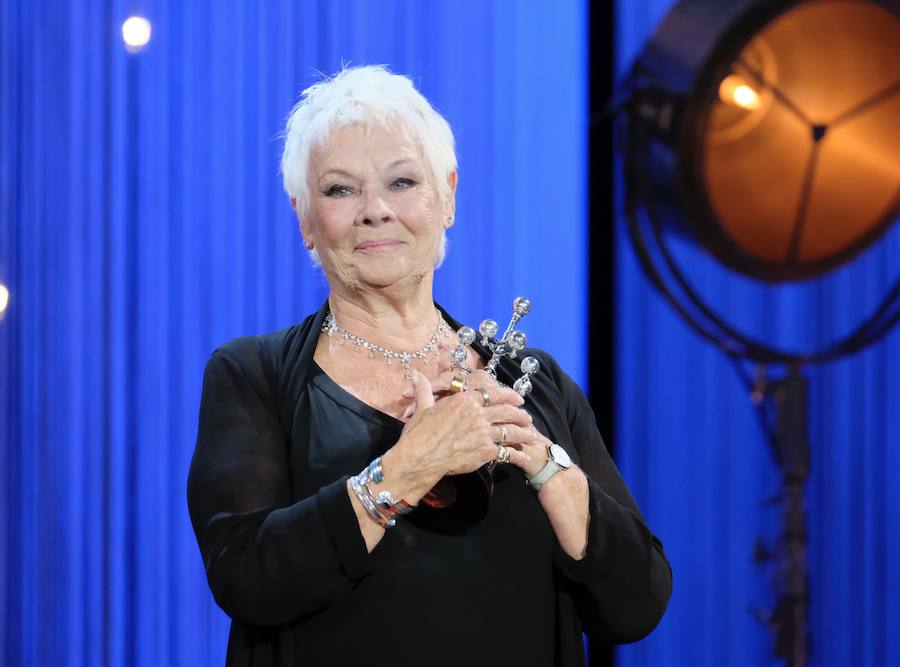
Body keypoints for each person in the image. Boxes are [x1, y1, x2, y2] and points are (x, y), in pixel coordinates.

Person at [187, 65, 671, 667]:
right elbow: (246, 578)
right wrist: (408, 469)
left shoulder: (532, 385)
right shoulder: (253, 376)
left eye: (402, 182)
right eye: (340, 190)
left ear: (448, 198)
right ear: (305, 219)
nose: (375, 211)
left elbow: (637, 605)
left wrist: (549, 469)